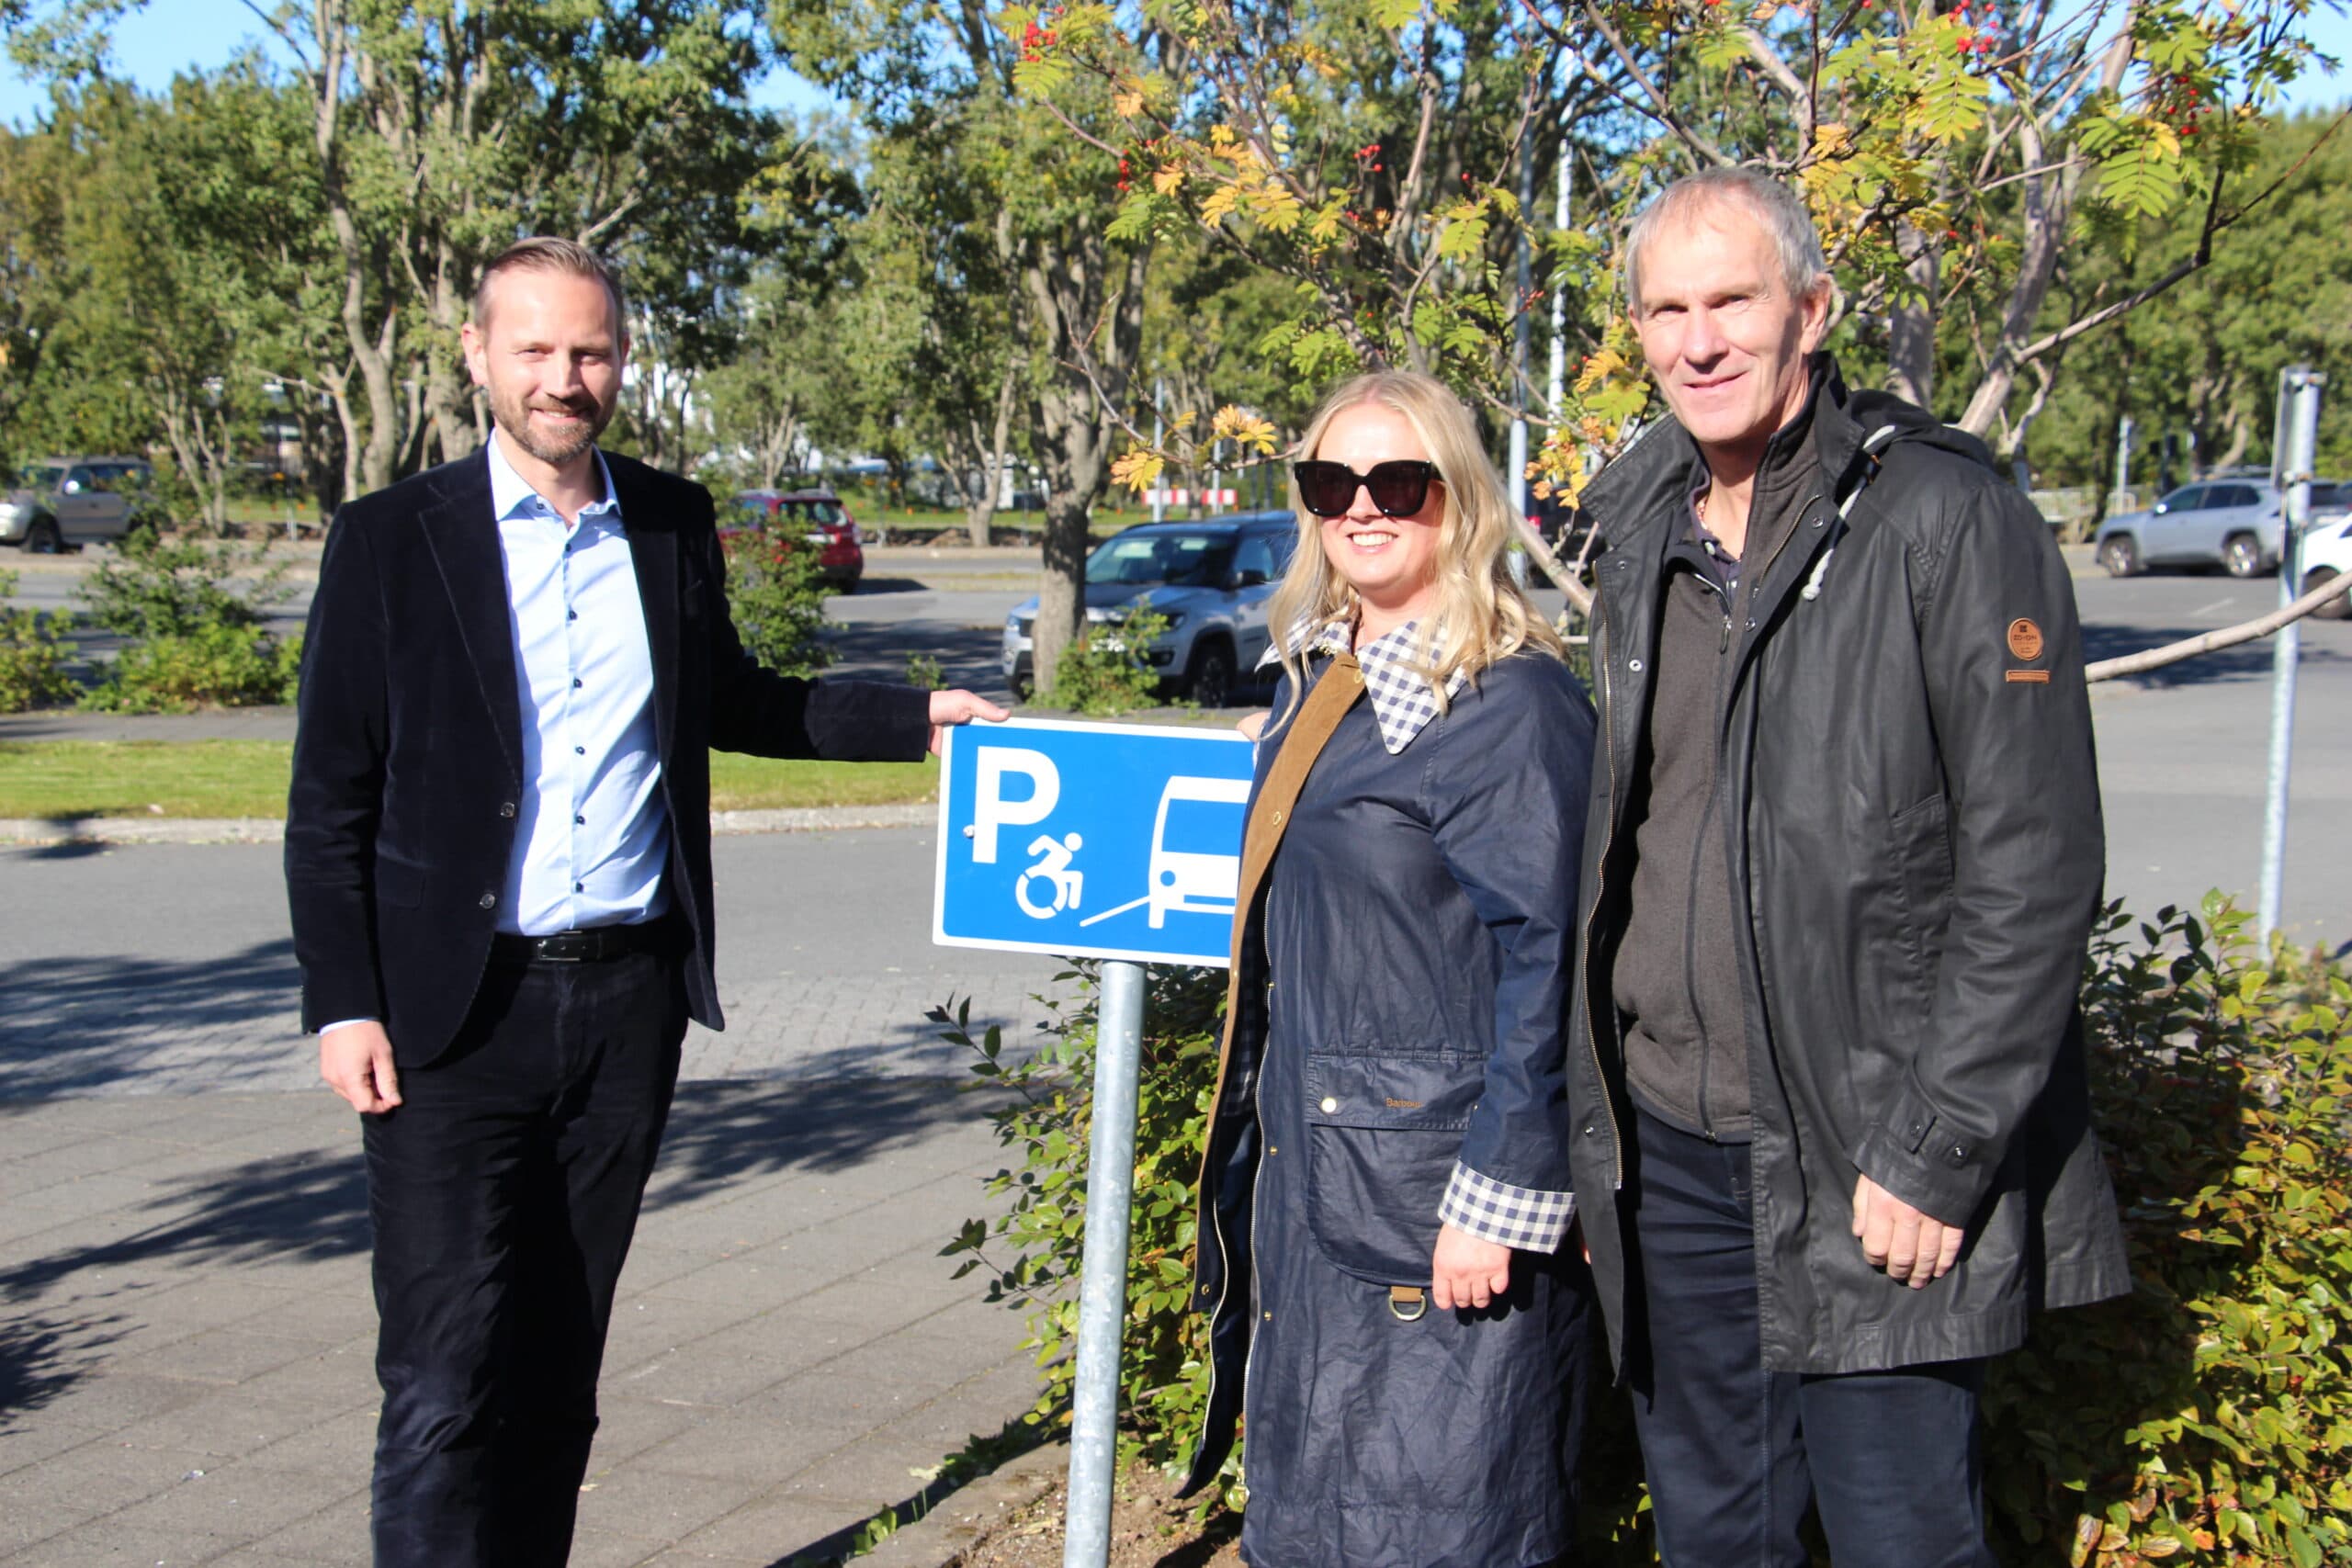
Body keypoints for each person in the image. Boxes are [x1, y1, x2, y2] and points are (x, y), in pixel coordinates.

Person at [283, 236, 1004, 1567]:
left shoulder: (668, 521)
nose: (567, 378)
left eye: (593, 351)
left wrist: (917, 720)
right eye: (539, 350)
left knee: (560, 1375)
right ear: (480, 356)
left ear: (622, 360)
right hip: (451, 1020)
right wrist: (344, 1007)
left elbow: (735, 696)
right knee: (445, 1382)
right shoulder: (390, 541)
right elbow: (333, 793)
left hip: (626, 1010)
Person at [1564, 167, 2130, 1567]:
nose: (1699, 342)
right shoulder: (1642, 526)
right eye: (1666, 310)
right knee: (1715, 1542)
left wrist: (1938, 1150)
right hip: (1676, 1153)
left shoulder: (1944, 519)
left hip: (1869, 1156)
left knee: (1901, 1542)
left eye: (1733, 302)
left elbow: (2034, 866)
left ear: (1810, 311)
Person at [1183, 370, 1599, 1568]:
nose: (1361, 509)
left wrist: (1502, 1197)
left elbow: (1556, 959)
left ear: (1458, 502)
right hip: (1325, 1192)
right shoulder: (1320, 681)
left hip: (1444, 1221)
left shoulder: (1506, 706)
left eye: (1398, 484)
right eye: (1330, 483)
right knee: (1320, 1529)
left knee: (1447, 1530)